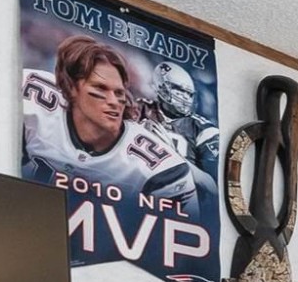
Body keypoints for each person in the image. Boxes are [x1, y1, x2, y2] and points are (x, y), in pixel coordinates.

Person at [21, 35, 201, 201]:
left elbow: (182, 224)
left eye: (119, 93)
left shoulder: (159, 168)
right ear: (71, 88)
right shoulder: (30, 94)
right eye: (100, 89)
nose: (114, 102)